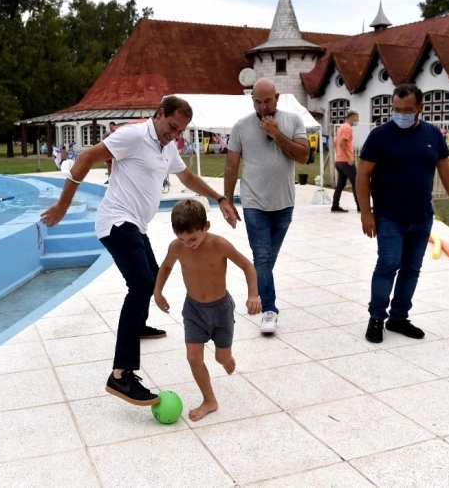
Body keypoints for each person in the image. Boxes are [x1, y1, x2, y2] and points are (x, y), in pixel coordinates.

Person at [41, 95, 240, 407]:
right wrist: (63, 206)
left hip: (136, 225)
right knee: (142, 284)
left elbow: (185, 176)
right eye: (172, 126)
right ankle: (120, 375)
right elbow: (84, 158)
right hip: (116, 221)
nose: (174, 134)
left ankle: (139, 325)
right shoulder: (132, 136)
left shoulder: (167, 146)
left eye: (180, 131)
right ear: (159, 114)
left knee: (151, 272)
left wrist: (220, 198)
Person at [357, 83, 449, 343]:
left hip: (421, 217)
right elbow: (362, 175)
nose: (401, 114)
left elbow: (446, 172)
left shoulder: (433, 135)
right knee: (388, 265)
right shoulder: (380, 136)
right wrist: (365, 212)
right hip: (388, 216)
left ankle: (398, 318)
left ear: (420, 108)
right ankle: (376, 318)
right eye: (396, 109)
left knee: (411, 269)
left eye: (407, 110)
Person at [152, 199, 261, 421]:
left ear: (206, 227)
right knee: (193, 357)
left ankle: (226, 357)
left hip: (221, 310)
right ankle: (209, 400)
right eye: (182, 239)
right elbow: (165, 267)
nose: (188, 244)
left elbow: (247, 266)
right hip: (193, 310)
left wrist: (252, 295)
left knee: (221, 358)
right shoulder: (176, 247)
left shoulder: (219, 244)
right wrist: (158, 291)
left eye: (193, 238)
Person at [224, 78, 310, 334]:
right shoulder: (241, 127)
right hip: (253, 203)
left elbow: (304, 156)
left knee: (266, 260)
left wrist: (276, 133)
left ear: (277, 97)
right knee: (262, 256)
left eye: (267, 101)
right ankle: (269, 310)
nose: (262, 107)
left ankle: (257, 286)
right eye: (257, 102)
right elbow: (231, 166)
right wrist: (227, 201)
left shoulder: (293, 122)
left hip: (284, 203)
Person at [332, 109, 361, 213]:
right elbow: (341, 143)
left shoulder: (341, 127)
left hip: (339, 160)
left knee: (341, 184)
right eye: (357, 118)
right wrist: (348, 158)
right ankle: (360, 206)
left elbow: (335, 142)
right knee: (356, 182)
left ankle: (335, 205)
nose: (358, 120)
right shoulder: (348, 128)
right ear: (353, 117)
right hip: (345, 161)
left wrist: (339, 154)